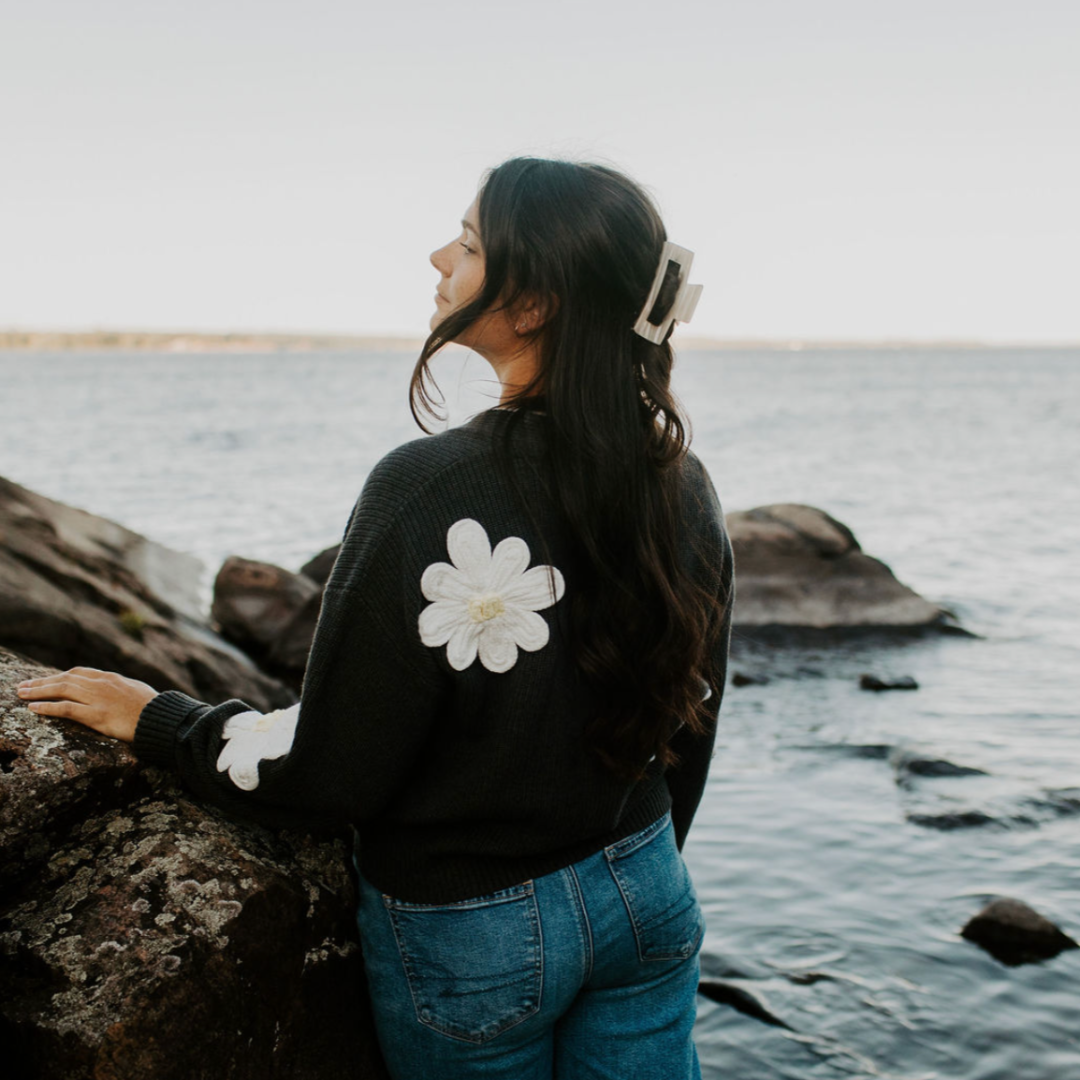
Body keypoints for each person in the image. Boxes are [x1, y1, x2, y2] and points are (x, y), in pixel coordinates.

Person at [14, 156, 735, 1079]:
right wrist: (643, 866)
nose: (440, 256)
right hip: (646, 887)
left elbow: (335, 772)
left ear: (537, 302)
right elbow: (697, 711)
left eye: (470, 244)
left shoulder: (427, 487)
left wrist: (162, 721)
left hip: (475, 933)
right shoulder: (682, 479)